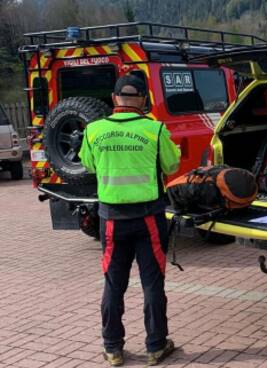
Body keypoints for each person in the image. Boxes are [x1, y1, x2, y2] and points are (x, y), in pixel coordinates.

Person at [79, 74, 180, 367]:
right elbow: (171, 165)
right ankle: (156, 346)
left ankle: (113, 349)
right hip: (148, 217)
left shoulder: (94, 130)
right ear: (144, 101)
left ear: (114, 100)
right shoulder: (155, 129)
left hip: (111, 219)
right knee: (152, 283)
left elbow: (88, 164)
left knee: (113, 283)